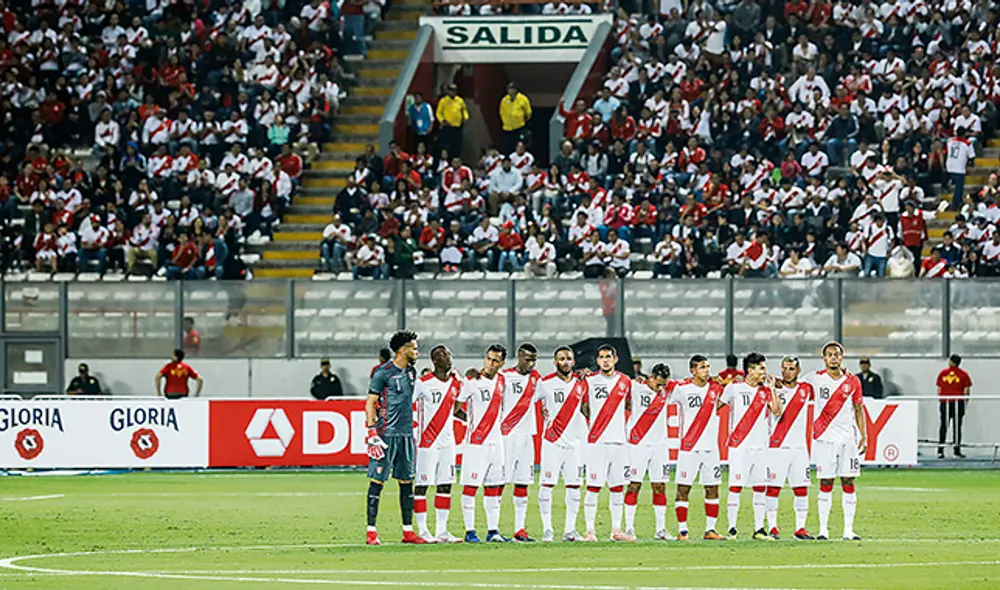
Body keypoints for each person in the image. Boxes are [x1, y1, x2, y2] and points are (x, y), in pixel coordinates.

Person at [364, 330, 424, 546]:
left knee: (407, 481)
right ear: (402, 349)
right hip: (386, 435)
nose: (417, 351)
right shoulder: (383, 373)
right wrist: (371, 431)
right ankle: (371, 531)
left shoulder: (411, 372)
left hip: (407, 434)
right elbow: (370, 402)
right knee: (378, 480)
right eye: (414, 347)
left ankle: (408, 531)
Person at [804, 341, 866, 541]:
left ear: (842, 357)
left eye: (836, 354)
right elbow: (791, 383)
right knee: (826, 481)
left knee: (848, 480)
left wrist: (863, 435)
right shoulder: (815, 378)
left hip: (848, 439)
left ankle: (848, 530)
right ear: (824, 358)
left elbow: (858, 409)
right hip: (824, 438)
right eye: (829, 354)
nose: (833, 357)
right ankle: (823, 529)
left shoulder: (853, 381)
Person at [720, 352, 782, 540]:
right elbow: (717, 405)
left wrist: (772, 389)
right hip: (739, 445)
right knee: (736, 486)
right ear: (750, 370)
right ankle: (732, 528)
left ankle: (759, 528)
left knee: (760, 487)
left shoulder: (765, 391)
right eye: (761, 368)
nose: (764, 372)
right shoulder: (734, 388)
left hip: (761, 446)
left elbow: (777, 411)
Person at [668, 354, 726, 541]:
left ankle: (710, 530)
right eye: (702, 367)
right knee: (683, 488)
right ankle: (683, 530)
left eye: (708, 366)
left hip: (711, 448)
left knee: (713, 488)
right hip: (689, 447)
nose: (706, 370)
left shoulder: (716, 388)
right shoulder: (682, 389)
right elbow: (663, 393)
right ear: (692, 371)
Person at [455, 343, 509, 543]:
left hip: (497, 443)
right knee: (471, 486)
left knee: (493, 487)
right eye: (488, 358)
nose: (490, 363)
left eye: (495, 360)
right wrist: (470, 421)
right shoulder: (472, 381)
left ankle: (493, 531)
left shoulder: (503, 381)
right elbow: (456, 407)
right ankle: (470, 531)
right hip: (476, 443)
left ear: (501, 363)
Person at [579, 343, 633, 542]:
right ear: (597, 360)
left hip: (619, 442)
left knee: (618, 488)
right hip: (597, 442)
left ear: (615, 359)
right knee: (593, 487)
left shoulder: (625, 381)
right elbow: (583, 406)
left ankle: (616, 530)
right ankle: (590, 530)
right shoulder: (590, 380)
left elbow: (629, 405)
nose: (605, 360)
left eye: (608, 356)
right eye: (601, 357)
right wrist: (595, 423)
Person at [412, 345, 465, 543]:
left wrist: (469, 420)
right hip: (427, 442)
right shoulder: (422, 383)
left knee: (445, 485)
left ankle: (442, 531)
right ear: (434, 361)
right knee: (422, 485)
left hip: (447, 442)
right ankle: (423, 530)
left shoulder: (456, 383)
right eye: (443, 355)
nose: (448, 358)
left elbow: (456, 409)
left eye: (449, 354)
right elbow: (406, 405)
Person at [537, 346, 587, 542]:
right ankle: (547, 529)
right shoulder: (545, 383)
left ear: (573, 362)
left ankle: (570, 530)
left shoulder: (582, 383)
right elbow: (527, 400)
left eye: (568, 358)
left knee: (574, 486)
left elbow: (587, 408)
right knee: (547, 485)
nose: (565, 362)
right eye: (561, 358)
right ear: (555, 362)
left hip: (574, 444)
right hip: (552, 442)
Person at [766, 356, 816, 540]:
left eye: (792, 368)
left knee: (801, 488)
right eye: (785, 368)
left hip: (800, 448)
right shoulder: (773, 390)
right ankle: (772, 527)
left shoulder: (806, 389)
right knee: (773, 488)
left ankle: (800, 528)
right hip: (777, 447)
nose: (787, 372)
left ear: (798, 370)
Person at [624, 363, 675, 540]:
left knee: (660, 486)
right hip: (638, 445)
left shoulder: (668, 391)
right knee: (634, 485)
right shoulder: (635, 386)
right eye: (658, 383)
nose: (660, 387)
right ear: (651, 378)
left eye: (664, 384)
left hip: (660, 446)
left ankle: (660, 529)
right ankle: (629, 528)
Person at [499, 343, 544, 542]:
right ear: (519, 356)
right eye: (527, 359)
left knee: (522, 483)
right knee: (499, 482)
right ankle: (494, 528)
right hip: (507, 435)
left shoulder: (536, 380)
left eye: (534, 359)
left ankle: (520, 529)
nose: (531, 363)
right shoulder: (505, 377)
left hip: (527, 437)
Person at [936, 354, 972, 459]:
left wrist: (941, 400)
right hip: (958, 403)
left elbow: (939, 389)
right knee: (957, 427)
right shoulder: (964, 374)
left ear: (951, 361)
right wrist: (965, 402)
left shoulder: (943, 373)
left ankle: (940, 450)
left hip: (945, 402)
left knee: (943, 426)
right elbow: (966, 390)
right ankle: (956, 450)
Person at [436, 84, 468, 159]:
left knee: (457, 146)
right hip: (448, 127)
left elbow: (464, 110)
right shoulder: (443, 101)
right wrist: (442, 120)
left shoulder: (460, 100)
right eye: (451, 91)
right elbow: (439, 112)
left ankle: (456, 159)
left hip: (457, 127)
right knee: (447, 146)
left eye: (454, 91)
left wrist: (465, 118)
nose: (452, 92)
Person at [499, 83, 532, 155]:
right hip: (507, 128)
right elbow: (501, 112)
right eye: (508, 89)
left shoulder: (523, 99)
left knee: (520, 146)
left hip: (519, 127)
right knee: (507, 148)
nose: (509, 91)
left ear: (515, 90)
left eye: (511, 89)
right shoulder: (504, 100)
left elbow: (528, 113)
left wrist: (522, 121)